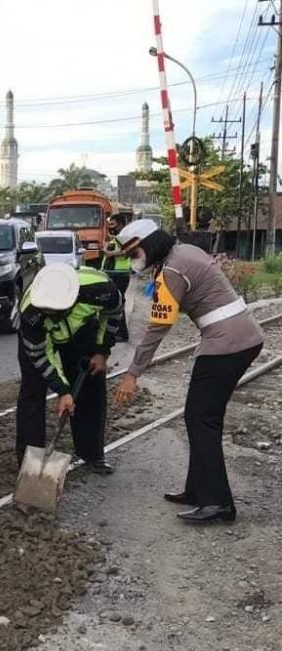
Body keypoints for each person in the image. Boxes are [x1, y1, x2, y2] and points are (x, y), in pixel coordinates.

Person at [113, 219, 264, 524]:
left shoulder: (171, 270)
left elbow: (158, 328)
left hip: (227, 344)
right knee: (201, 418)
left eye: (134, 252)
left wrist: (132, 374)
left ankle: (218, 504)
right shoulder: (184, 252)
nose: (133, 259)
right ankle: (198, 490)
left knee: (200, 418)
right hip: (240, 338)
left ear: (150, 243)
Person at [16, 264, 124, 474]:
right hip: (42, 339)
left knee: (90, 384)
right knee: (32, 391)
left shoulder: (100, 289)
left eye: (54, 311)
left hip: (81, 328)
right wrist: (63, 391)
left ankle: (92, 453)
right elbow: (40, 356)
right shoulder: (30, 312)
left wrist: (102, 350)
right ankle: (29, 463)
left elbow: (114, 313)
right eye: (45, 310)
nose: (49, 313)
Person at [100, 213, 131, 342]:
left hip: (120, 274)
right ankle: (118, 331)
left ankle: (122, 333)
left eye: (113, 224)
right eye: (109, 224)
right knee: (116, 302)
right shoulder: (116, 237)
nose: (110, 226)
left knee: (118, 303)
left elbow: (127, 251)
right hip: (113, 273)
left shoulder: (124, 236)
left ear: (120, 224)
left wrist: (110, 253)